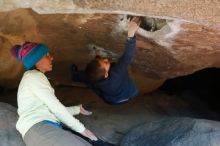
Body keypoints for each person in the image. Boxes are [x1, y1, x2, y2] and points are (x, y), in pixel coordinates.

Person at [11, 42, 97, 146]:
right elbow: (55, 107)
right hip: (39, 129)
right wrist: (82, 129)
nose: (51, 58)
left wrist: (77, 109)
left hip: (43, 129)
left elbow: (51, 110)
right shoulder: (34, 77)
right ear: (36, 61)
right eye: (47, 55)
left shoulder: (34, 77)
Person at [71, 17, 141, 105]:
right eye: (106, 63)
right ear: (106, 74)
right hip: (128, 94)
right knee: (90, 79)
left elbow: (91, 74)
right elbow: (127, 56)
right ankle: (76, 76)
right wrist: (131, 33)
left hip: (111, 100)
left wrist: (98, 57)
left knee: (88, 79)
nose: (106, 59)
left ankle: (75, 76)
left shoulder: (95, 79)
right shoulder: (118, 72)